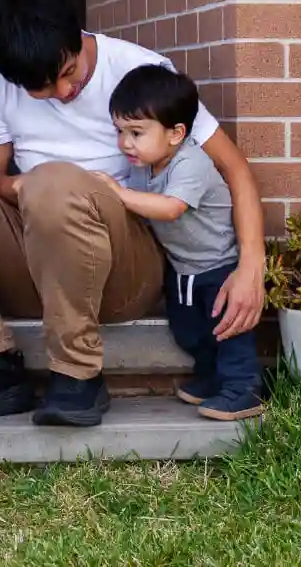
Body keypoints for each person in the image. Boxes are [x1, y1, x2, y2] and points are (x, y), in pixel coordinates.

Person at [0, 0, 265, 428]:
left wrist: (251, 264)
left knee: (57, 180)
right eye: (43, 90)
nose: (65, 92)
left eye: (69, 73)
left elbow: (234, 168)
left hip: (122, 271)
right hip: (35, 254)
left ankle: (76, 373)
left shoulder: (142, 71)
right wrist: (20, 186)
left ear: (77, 35)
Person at [94, 64, 263, 420]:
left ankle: (242, 388)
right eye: (120, 131)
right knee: (190, 329)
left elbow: (171, 208)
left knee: (227, 329)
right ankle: (212, 377)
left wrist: (117, 193)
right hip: (183, 266)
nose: (125, 142)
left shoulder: (191, 162)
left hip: (219, 266)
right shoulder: (144, 164)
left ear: (176, 133)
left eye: (136, 132)